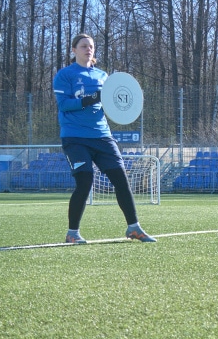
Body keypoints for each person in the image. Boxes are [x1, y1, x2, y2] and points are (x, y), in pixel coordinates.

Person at [53, 33, 156, 244]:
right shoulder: (65, 75)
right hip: (75, 137)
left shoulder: (103, 76)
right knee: (85, 181)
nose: (88, 49)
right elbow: (64, 105)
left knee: (121, 179)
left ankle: (134, 228)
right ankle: (72, 233)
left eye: (91, 46)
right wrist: (91, 99)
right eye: (83, 46)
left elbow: (113, 104)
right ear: (74, 50)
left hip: (102, 136)